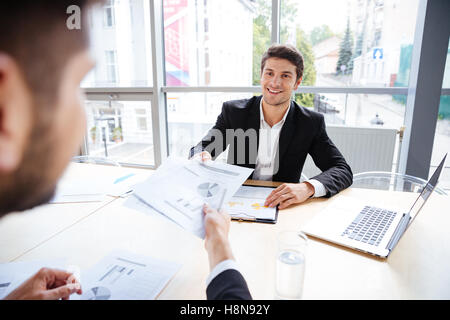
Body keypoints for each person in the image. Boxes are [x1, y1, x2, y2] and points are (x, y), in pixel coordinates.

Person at [0, 0, 250, 300]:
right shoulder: (235, 111)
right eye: (76, 83)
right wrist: (219, 242)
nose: (86, 120)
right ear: (6, 108)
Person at [190, 44, 353, 209]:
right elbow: (201, 149)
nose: (275, 83)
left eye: (285, 76)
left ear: (297, 82)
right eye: (269, 73)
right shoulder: (234, 113)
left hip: (282, 207)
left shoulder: (310, 123)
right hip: (236, 203)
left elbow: (342, 170)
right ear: (261, 76)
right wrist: (201, 158)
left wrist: (307, 188)